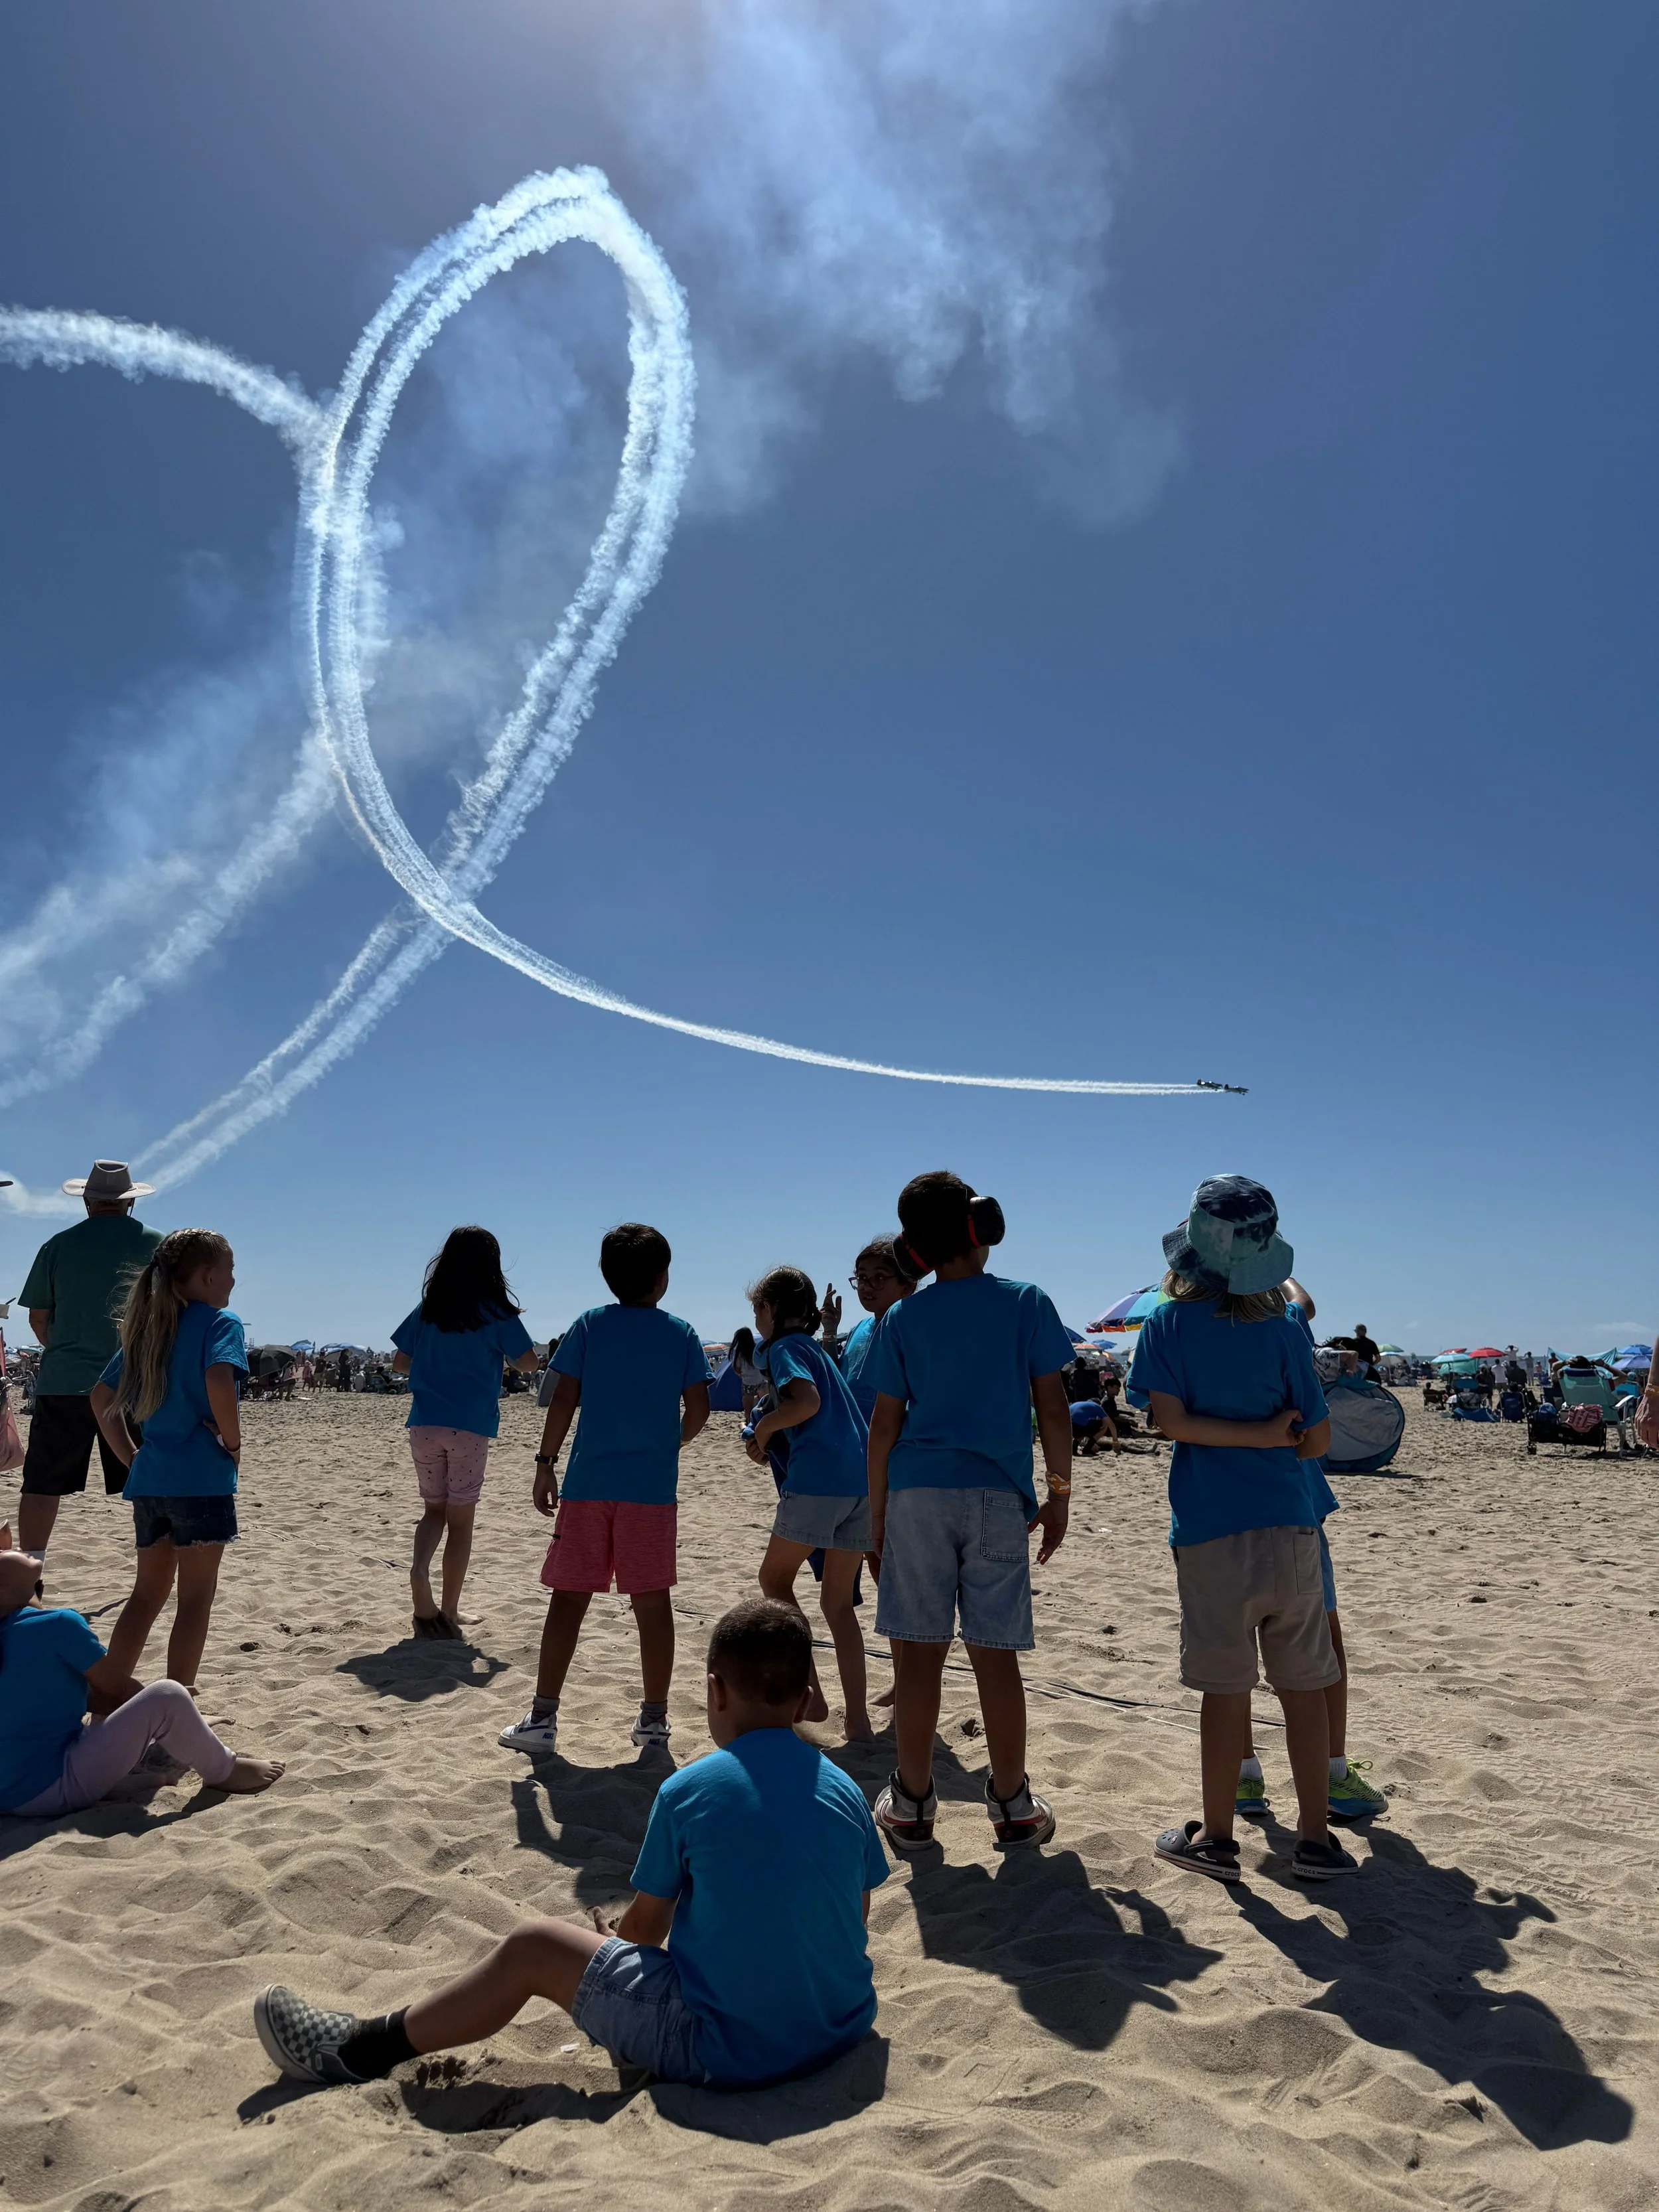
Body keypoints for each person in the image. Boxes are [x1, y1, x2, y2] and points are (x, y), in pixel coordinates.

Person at [255, 1598, 887, 2089]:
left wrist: (617, 1940)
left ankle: (360, 2049)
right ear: (807, 1699)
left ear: (716, 1690)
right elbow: (848, 1924)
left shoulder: (690, 1790)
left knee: (535, 1946)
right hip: (838, 2027)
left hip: (728, 2051)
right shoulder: (847, 1792)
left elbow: (646, 1932)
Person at [1127, 1176, 1356, 1883]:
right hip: (1288, 1524)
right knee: (1304, 1686)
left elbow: (1169, 1424)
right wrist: (1270, 1437)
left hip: (1209, 1529)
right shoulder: (1284, 1327)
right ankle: (1314, 1839)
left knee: (1225, 1689)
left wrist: (1243, 1435)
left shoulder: (1165, 1323)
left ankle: (1219, 1837)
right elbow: (1315, 1441)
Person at [865, 1170, 1074, 1854]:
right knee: (995, 1657)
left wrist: (876, 1518)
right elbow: (1051, 1408)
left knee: (917, 1660)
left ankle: (913, 1802)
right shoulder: (1026, 1303)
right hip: (994, 1496)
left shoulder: (902, 1317)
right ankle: (1011, 1802)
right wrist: (1060, 1492)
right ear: (982, 1226)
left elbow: (884, 1428)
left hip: (916, 1496)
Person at [499, 1224, 710, 1757]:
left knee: (568, 1599)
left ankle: (543, 1717)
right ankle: (654, 1722)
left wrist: (545, 1463)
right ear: (663, 1278)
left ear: (606, 1275)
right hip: (651, 1491)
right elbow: (700, 1409)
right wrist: (670, 1443)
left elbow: (563, 1399)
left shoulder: (589, 1325)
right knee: (652, 1601)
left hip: (589, 1485)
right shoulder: (682, 1333)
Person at [0, 1531, 283, 1813]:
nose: (9, 1547)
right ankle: (224, 1771)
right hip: (48, 1787)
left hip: (9, 1792)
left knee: (76, 1726)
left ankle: (120, 1784)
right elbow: (116, 1692)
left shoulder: (12, 1635)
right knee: (168, 1693)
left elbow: (78, 1699)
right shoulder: (58, 1625)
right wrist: (178, 1712)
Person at [88, 1228, 251, 1695]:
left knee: (145, 1595)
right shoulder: (221, 1323)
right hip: (201, 1480)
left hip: (152, 1480)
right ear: (205, 1275)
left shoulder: (151, 1329)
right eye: (230, 1272)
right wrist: (233, 1444)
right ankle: (177, 1706)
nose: (234, 1282)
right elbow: (219, 1379)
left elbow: (101, 1400)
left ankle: (108, 1695)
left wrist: (131, 1458)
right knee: (195, 1600)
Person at [388, 1228, 538, 1641]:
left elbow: (401, 1364)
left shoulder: (429, 1309)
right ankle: (450, 1609)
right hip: (470, 1426)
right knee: (461, 1522)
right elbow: (527, 1363)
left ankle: (419, 1572)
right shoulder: (495, 1312)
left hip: (423, 1423)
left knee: (432, 1512)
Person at [746, 1266, 873, 1742]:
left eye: (758, 1308)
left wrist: (764, 1428)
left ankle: (812, 1693)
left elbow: (807, 1402)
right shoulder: (816, 1350)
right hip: (860, 1481)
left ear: (773, 1310)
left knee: (774, 1579)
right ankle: (857, 1718)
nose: (757, 1318)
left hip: (819, 1481)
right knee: (838, 1604)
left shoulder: (783, 1349)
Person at [15, 1161, 163, 1556]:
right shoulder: (159, 1246)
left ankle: (32, 1572)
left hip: (65, 1380)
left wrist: (66, 1350)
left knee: (43, 1483)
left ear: (87, 1201)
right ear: (130, 1203)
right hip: (135, 1382)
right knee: (148, 1477)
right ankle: (154, 1571)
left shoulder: (58, 1245)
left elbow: (38, 1318)